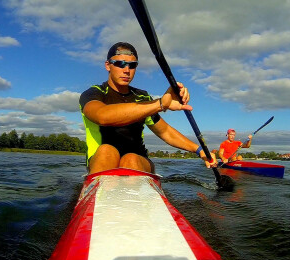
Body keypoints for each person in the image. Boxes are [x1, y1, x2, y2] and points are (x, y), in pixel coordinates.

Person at [79, 42, 217, 174]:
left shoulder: (143, 98)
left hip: (138, 161)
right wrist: (160, 104)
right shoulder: (93, 93)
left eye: (132, 65)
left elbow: (165, 132)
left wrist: (199, 150)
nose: (126, 70)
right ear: (108, 65)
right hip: (102, 160)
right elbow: (102, 116)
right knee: (107, 151)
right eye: (120, 64)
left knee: (130, 159)